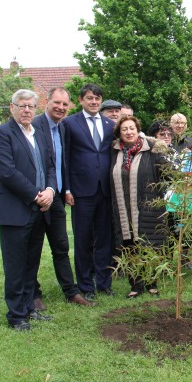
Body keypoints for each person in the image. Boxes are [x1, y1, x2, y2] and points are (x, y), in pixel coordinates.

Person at [0, 89, 56, 331]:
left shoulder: (38, 134)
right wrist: (35, 195)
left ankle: (29, 308)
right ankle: (16, 316)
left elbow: (50, 167)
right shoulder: (1, 133)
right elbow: (6, 172)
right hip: (16, 211)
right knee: (16, 265)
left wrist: (50, 190)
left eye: (30, 106)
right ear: (12, 107)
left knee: (31, 265)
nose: (27, 110)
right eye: (22, 105)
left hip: (39, 211)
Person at [31, 88, 93, 309]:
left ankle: (71, 291)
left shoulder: (63, 128)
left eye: (65, 105)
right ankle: (34, 293)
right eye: (57, 103)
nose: (61, 107)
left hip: (56, 196)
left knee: (61, 246)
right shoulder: (35, 126)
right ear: (46, 102)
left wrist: (65, 189)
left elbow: (63, 162)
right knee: (33, 248)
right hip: (37, 198)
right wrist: (39, 193)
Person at [62, 84, 116, 299]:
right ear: (81, 100)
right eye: (90, 98)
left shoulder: (110, 124)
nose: (94, 102)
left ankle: (104, 283)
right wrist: (66, 188)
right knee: (83, 240)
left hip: (105, 190)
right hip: (81, 192)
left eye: (98, 98)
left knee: (104, 240)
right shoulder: (69, 123)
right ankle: (86, 286)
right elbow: (63, 158)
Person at [110, 116, 170, 298]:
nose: (129, 132)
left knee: (149, 245)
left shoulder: (152, 150)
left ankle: (152, 282)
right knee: (129, 246)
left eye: (132, 128)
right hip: (123, 208)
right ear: (119, 133)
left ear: (138, 130)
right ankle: (135, 284)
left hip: (147, 207)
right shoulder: (114, 152)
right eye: (124, 129)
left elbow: (167, 172)